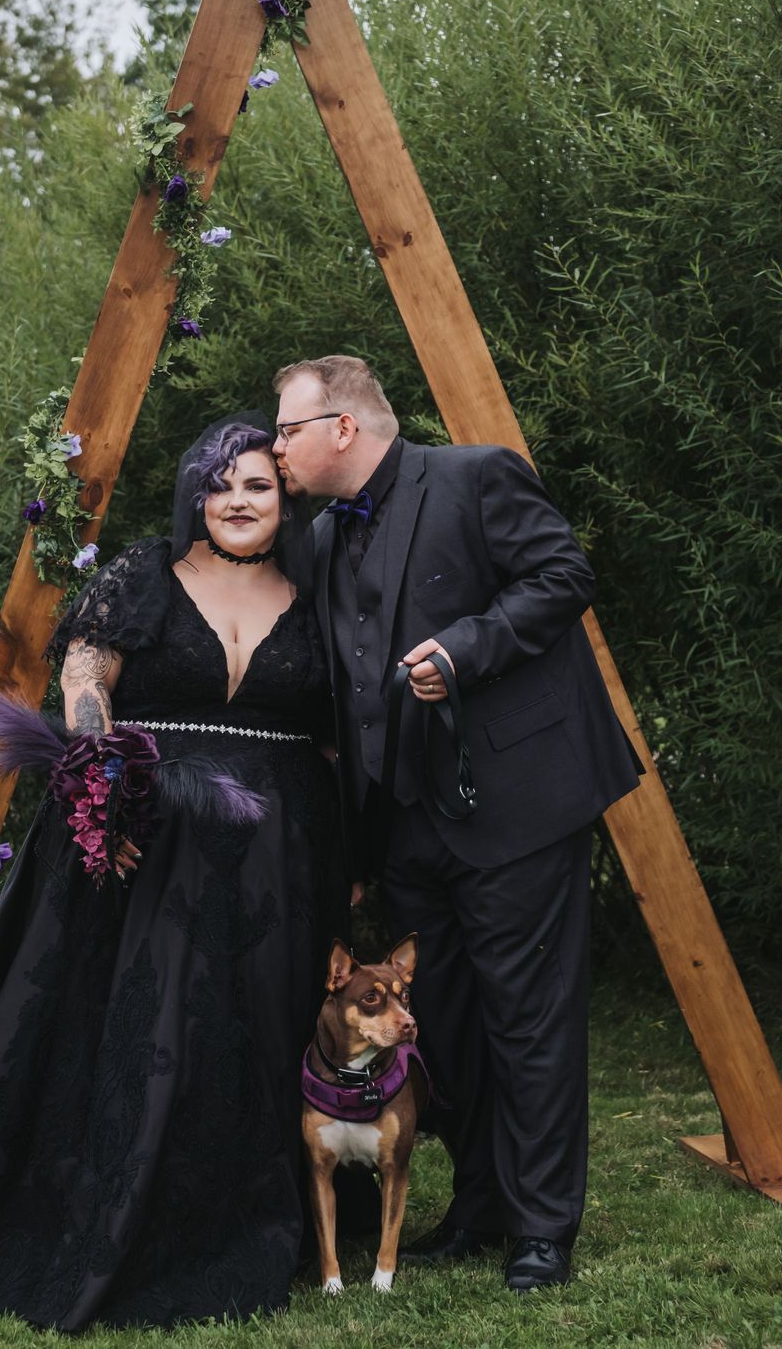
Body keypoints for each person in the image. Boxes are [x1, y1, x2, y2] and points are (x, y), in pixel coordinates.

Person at [0, 417, 346, 1331]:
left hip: (278, 860)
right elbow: (88, 678)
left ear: (285, 499)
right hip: (149, 836)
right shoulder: (145, 575)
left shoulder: (318, 592)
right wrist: (105, 788)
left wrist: (346, 855)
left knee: (254, 1028)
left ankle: (239, 1218)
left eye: (258, 485)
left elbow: (333, 733)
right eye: (221, 485)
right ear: (193, 496)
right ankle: (117, 1215)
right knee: (153, 1021)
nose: (239, 502)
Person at [272, 355, 642, 1293]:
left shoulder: (475, 478)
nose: (278, 448)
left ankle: (540, 1230)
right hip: (403, 827)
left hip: (514, 805)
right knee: (444, 1032)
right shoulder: (315, 542)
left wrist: (469, 646)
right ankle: (478, 1205)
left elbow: (564, 573)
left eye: (288, 430)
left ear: (344, 428)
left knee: (531, 1021)